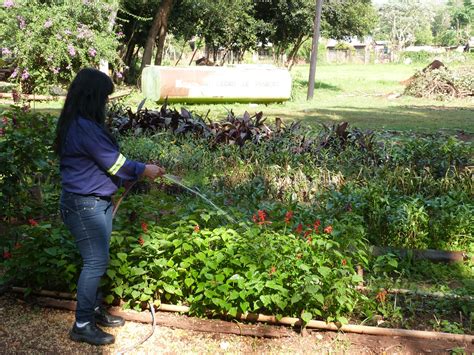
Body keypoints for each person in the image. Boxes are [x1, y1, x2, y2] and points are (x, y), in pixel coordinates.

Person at [53, 68, 165, 346]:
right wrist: (143, 170)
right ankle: (82, 325)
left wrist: (122, 180)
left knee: (97, 260)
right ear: (92, 97)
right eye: (104, 97)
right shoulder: (84, 128)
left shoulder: (79, 123)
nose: (105, 103)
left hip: (94, 202)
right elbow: (116, 164)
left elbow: (104, 164)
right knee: (95, 262)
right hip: (84, 206)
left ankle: (91, 311)